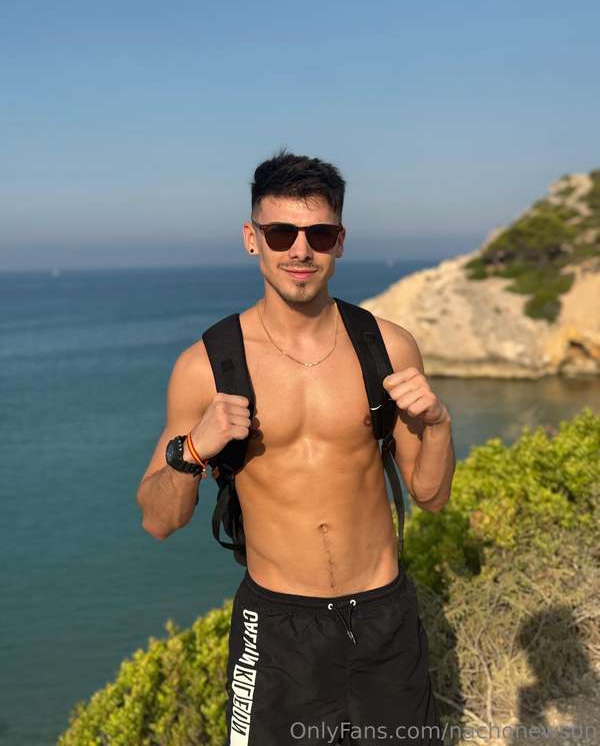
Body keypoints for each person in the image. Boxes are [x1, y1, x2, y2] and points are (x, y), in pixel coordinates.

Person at [136, 149, 456, 745]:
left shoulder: (387, 347)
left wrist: (438, 426)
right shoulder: (206, 366)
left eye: (319, 234)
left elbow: (431, 496)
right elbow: (158, 520)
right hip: (278, 628)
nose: (300, 250)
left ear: (340, 241)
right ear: (251, 238)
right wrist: (194, 450)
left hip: (383, 617)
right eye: (281, 233)